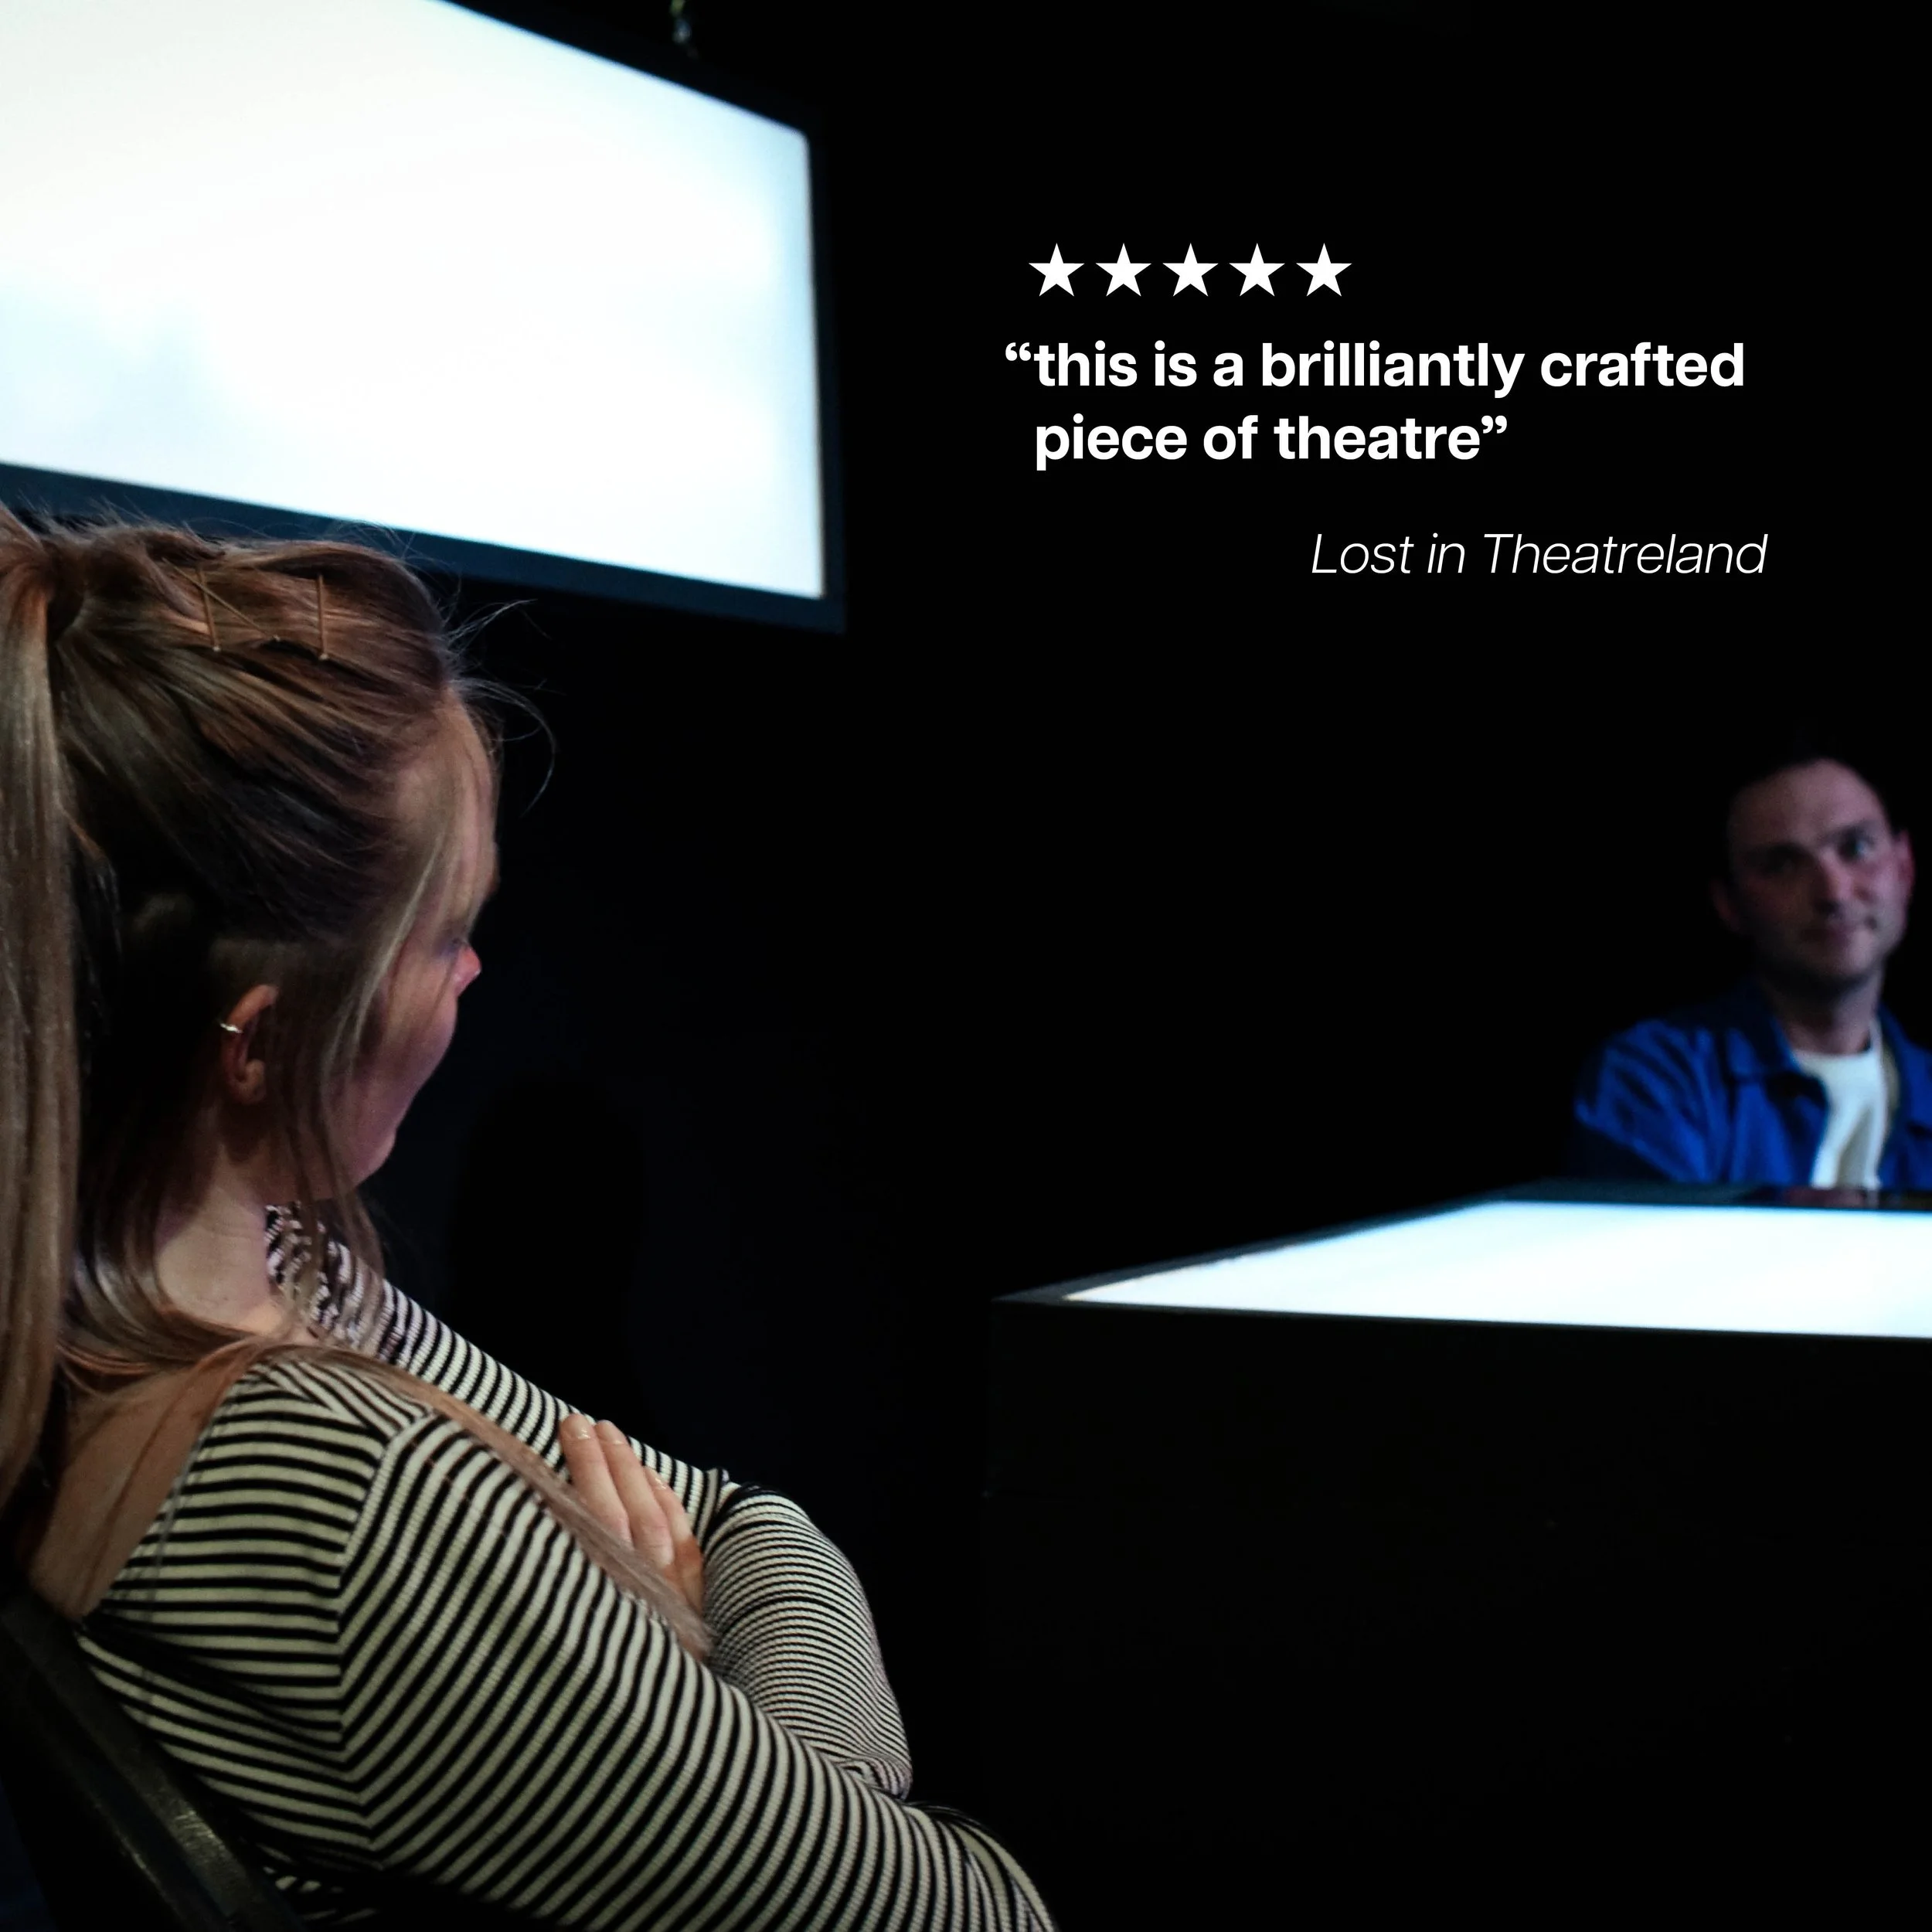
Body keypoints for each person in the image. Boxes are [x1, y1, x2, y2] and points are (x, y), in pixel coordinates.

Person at [0, 509, 1053, 1928]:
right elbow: (966, 1910)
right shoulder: (346, 1499)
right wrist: (710, 1678)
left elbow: (745, 1518)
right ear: (260, 1040)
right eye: (442, 936)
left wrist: (736, 1741)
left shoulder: (250, 1275)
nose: (472, 975)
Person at [1570, 745, 1932, 1186]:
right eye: (1782, 866)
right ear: (1729, 904)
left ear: (1904, 868)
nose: (1833, 893)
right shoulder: (1655, 1079)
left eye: (1856, 848)